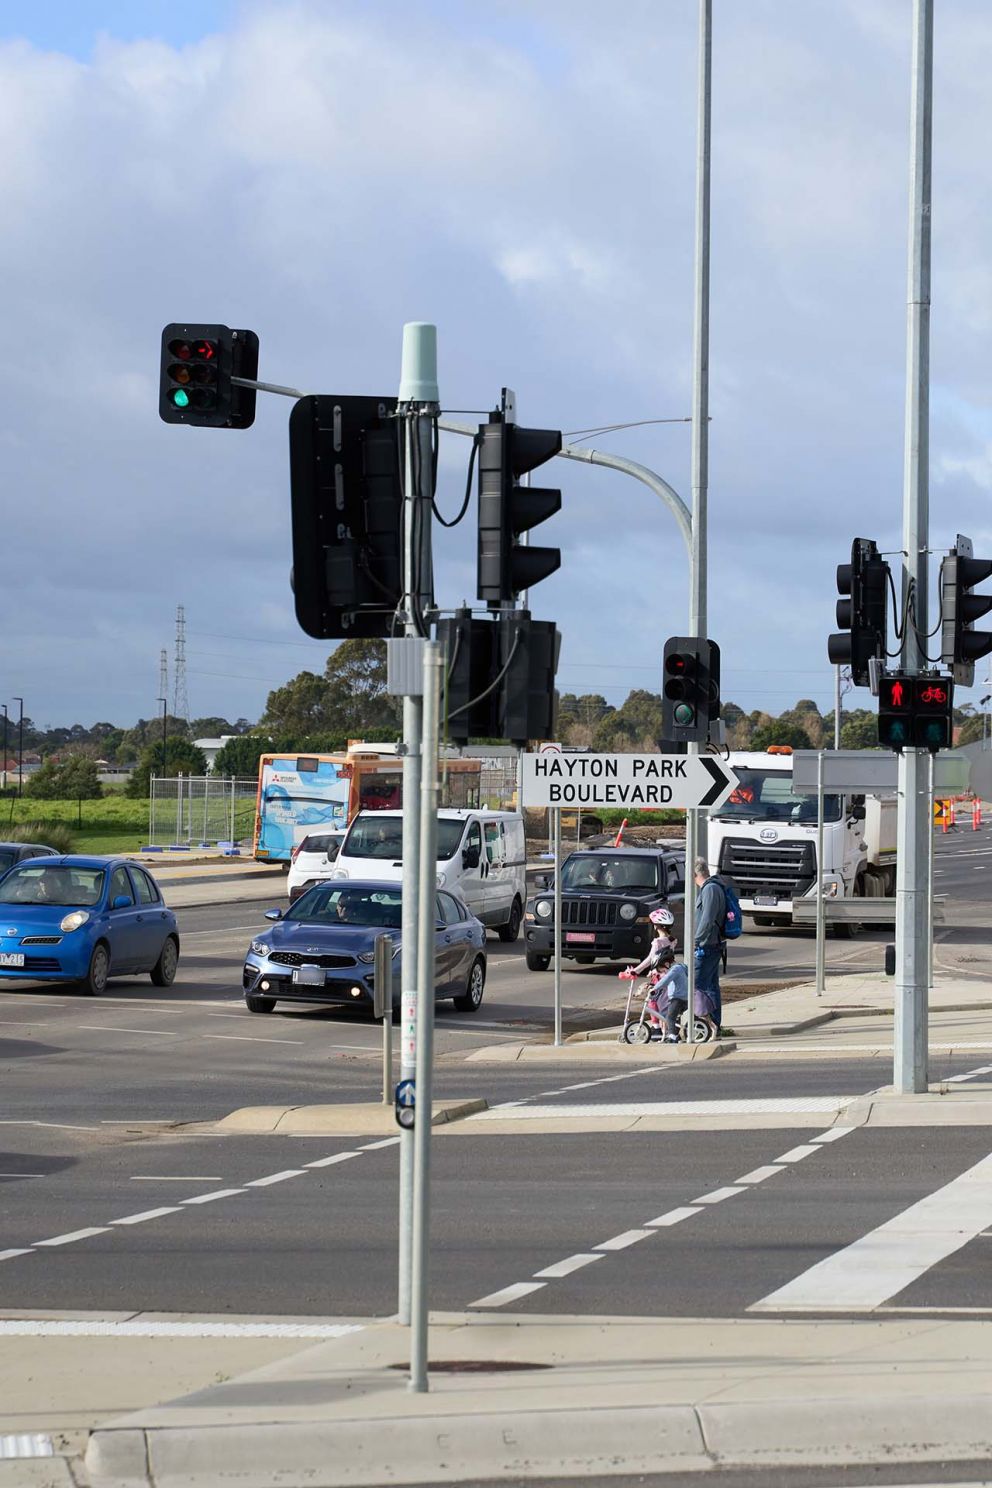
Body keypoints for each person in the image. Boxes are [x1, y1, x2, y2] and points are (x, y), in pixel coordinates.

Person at [693, 857, 726, 1032]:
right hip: (711, 944)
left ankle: (708, 1023)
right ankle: (714, 1024)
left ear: (694, 873)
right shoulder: (711, 888)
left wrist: (695, 941)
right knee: (710, 985)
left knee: (699, 985)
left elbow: (707, 920)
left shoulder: (710, 890)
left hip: (707, 946)